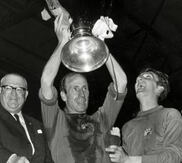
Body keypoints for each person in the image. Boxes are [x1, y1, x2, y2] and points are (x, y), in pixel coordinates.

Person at [39, 13, 127, 163]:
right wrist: (62, 42)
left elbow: (121, 83)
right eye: (75, 88)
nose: (82, 93)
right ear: (63, 95)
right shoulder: (55, 120)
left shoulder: (100, 119)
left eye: (85, 88)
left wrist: (101, 44)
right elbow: (46, 81)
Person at [105, 68, 182, 163]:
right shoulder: (127, 126)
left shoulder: (170, 114)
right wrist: (115, 145)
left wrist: (128, 160)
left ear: (159, 88)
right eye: (138, 79)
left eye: (147, 77)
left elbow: (175, 155)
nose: (139, 79)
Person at [0, 73, 53, 163]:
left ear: (26, 94)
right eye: (8, 88)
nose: (13, 94)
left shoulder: (36, 124)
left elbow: (47, 158)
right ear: (0, 91)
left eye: (19, 89)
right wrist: (12, 159)